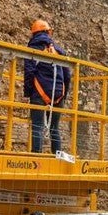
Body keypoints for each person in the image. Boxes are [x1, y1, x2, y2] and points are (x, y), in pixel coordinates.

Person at [22, 19, 71, 154]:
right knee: (54, 127)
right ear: (48, 32)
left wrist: (28, 93)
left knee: (37, 125)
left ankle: (36, 156)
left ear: (33, 34)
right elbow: (67, 76)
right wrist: (63, 96)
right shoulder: (59, 51)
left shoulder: (32, 49)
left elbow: (29, 72)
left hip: (39, 93)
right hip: (58, 94)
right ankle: (58, 156)